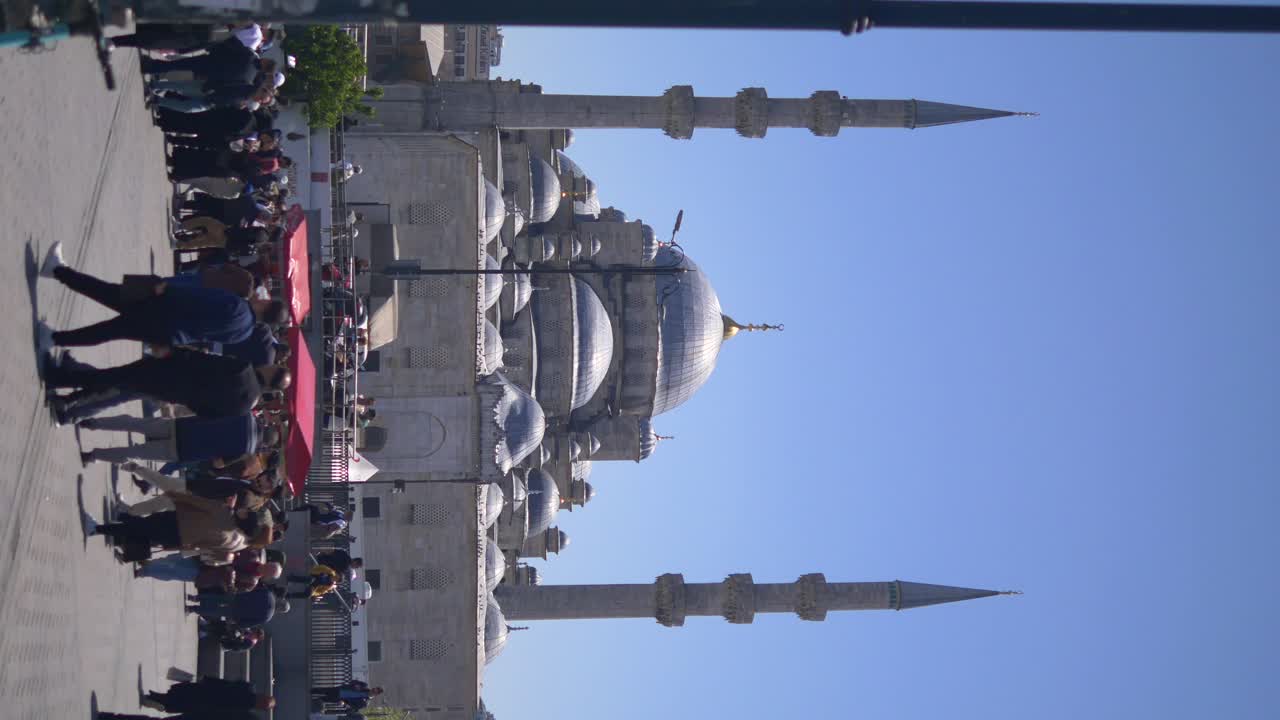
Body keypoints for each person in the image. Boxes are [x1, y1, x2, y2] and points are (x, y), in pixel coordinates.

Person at [36, 243, 286, 351]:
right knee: (109, 331)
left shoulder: (236, 306)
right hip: (169, 333)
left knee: (107, 294)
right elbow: (205, 336)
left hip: (163, 308)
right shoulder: (243, 333)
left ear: (265, 303)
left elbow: (196, 299)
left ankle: (58, 272)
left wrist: (167, 289)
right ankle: (56, 338)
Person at [45, 348, 288, 424]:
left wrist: (173, 353)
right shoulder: (245, 406)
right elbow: (206, 414)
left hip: (170, 371)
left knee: (116, 382)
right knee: (117, 381)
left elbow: (202, 360)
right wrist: (186, 399)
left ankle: (66, 390)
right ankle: (70, 377)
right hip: (174, 392)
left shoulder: (243, 369)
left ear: (271, 372)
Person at [142, 677, 275, 713]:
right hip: (206, 704)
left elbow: (226, 684)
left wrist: (207, 680)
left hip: (208, 693)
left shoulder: (248, 688)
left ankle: (156, 699)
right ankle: (157, 699)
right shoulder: (245, 711)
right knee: (180, 700)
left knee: (180, 694)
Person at [189, 584, 285, 627]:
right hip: (237, 612)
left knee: (217, 598)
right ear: (280, 611)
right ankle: (193, 609)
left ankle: (195, 598)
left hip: (239, 597)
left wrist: (240, 590)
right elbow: (249, 623)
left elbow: (253, 588)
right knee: (216, 611)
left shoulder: (269, 593)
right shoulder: (267, 617)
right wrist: (238, 622)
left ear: (280, 600)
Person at [312, 681, 382, 710]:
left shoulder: (365, 703)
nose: (371, 690)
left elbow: (353, 707)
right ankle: (309, 691)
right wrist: (355, 685)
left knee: (322, 699)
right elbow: (353, 681)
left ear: (375, 695)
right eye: (372, 689)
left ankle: (311, 701)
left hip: (340, 699)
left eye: (373, 691)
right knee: (322, 690)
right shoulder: (364, 685)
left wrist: (344, 704)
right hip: (340, 689)